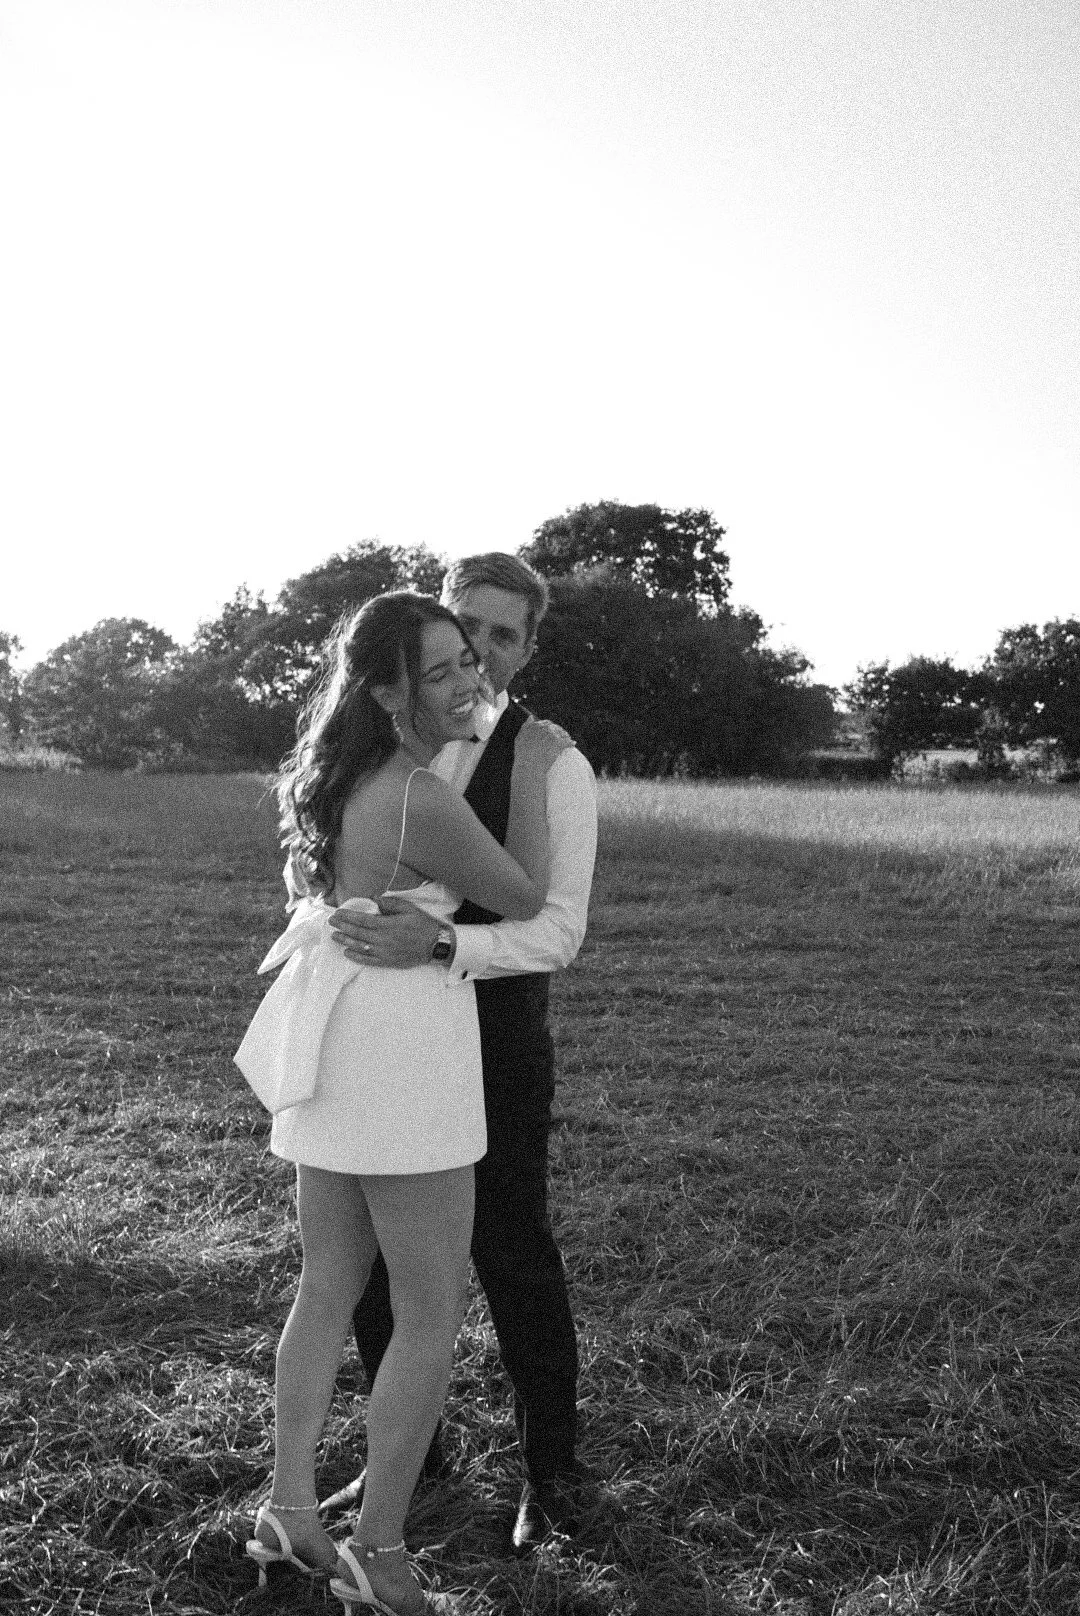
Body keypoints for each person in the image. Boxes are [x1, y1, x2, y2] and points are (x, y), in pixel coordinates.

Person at [234, 591, 568, 1614]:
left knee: (327, 1278)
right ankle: (377, 1550)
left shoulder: (332, 776)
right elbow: (523, 893)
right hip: (399, 1039)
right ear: (386, 690)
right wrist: (543, 769)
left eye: (470, 656)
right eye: (441, 669)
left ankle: (290, 1509)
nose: (471, 678)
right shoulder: (419, 792)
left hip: (334, 1031)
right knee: (429, 1305)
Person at [326, 553, 598, 1552]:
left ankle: (553, 1471)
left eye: (503, 635)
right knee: (367, 1262)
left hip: (492, 1034)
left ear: (527, 649)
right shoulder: (365, 744)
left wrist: (442, 943)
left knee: (511, 1247)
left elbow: (558, 928)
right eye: (464, 628)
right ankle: (409, 1456)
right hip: (384, 1038)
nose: (478, 655)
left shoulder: (553, 760)